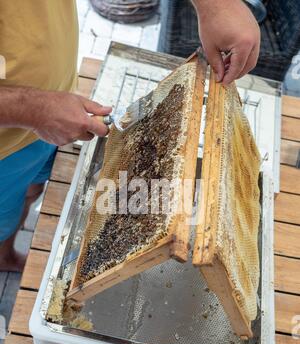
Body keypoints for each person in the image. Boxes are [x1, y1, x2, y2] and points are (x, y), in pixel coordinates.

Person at [0, 0, 261, 273]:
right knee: (3, 217)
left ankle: (21, 208)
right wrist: (35, 110)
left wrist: (215, 5)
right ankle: (3, 255)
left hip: (52, 106)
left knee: (32, 187)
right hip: (6, 147)